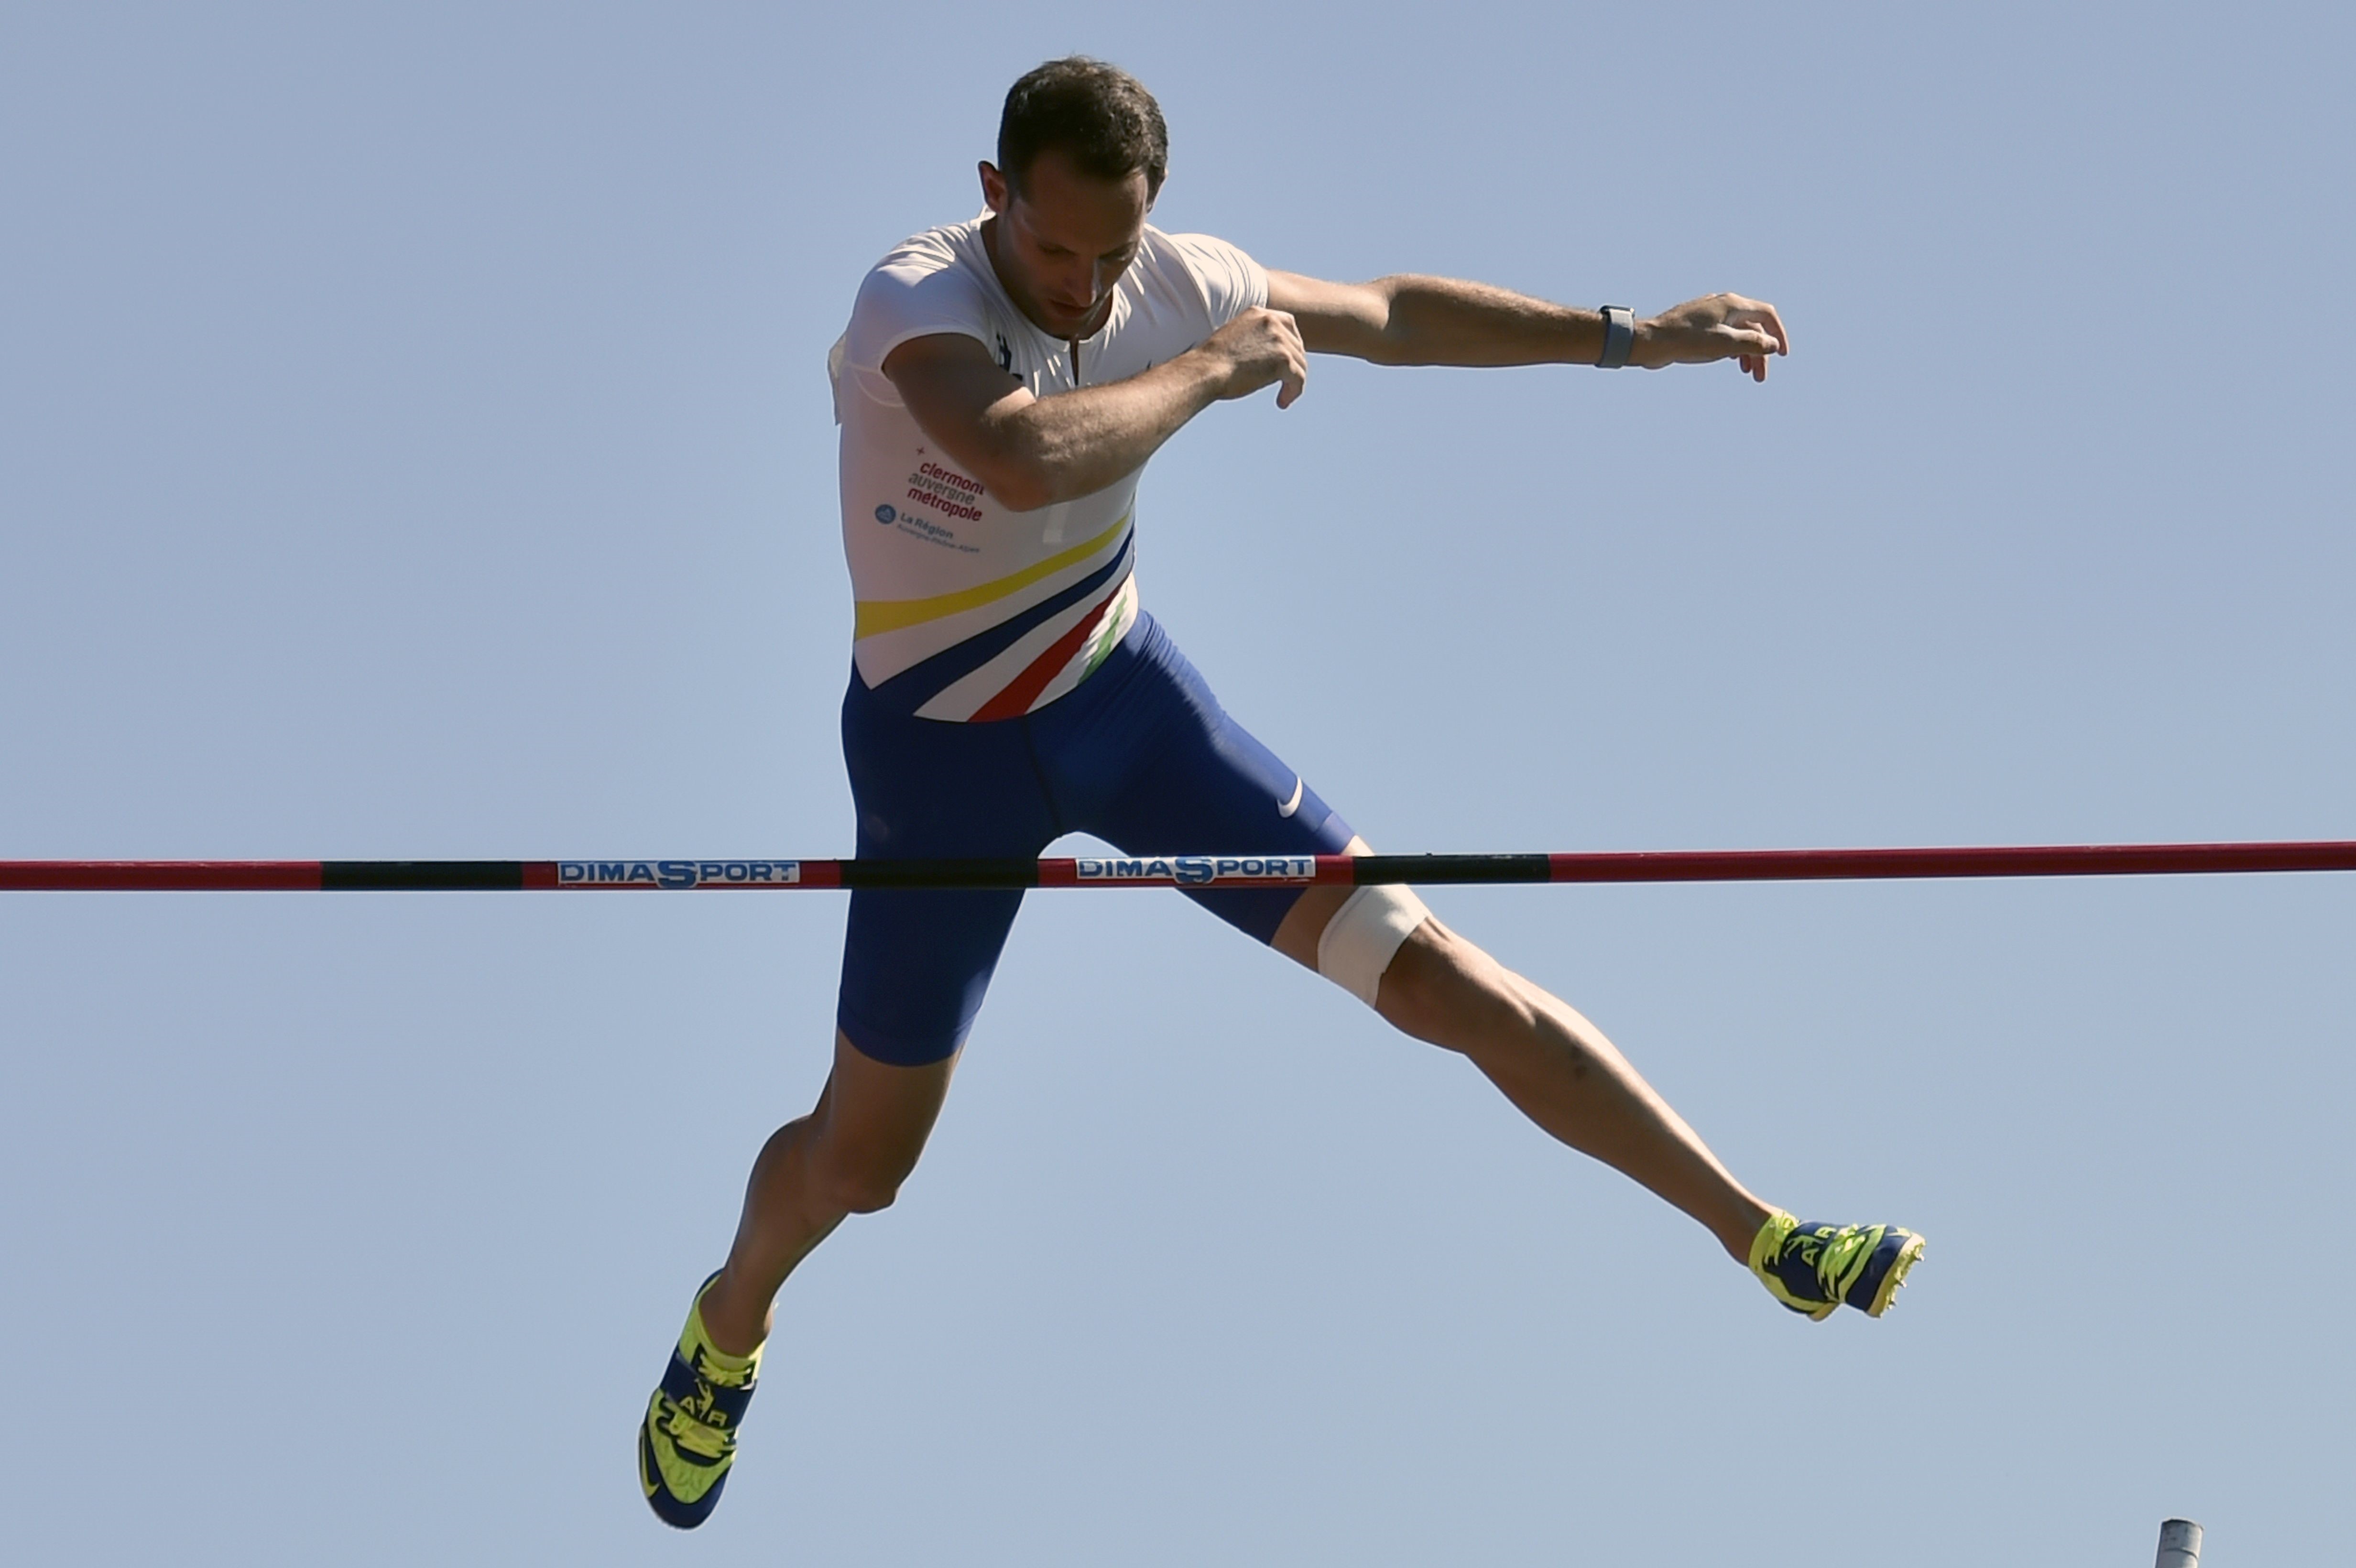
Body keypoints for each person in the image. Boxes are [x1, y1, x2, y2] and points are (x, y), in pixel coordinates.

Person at [638, 56, 1923, 1529]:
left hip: (1126, 711)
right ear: (993, 197)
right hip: (938, 761)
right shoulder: (913, 301)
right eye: (1055, 249)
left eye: (1114, 253)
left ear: (1153, 217)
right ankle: (726, 1327)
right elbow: (1016, 460)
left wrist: (1631, 335)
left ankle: (1760, 1236)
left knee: (1436, 973)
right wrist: (1210, 372)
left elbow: (1393, 316)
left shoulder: (1177, 279)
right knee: (862, 1170)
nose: (1083, 285)